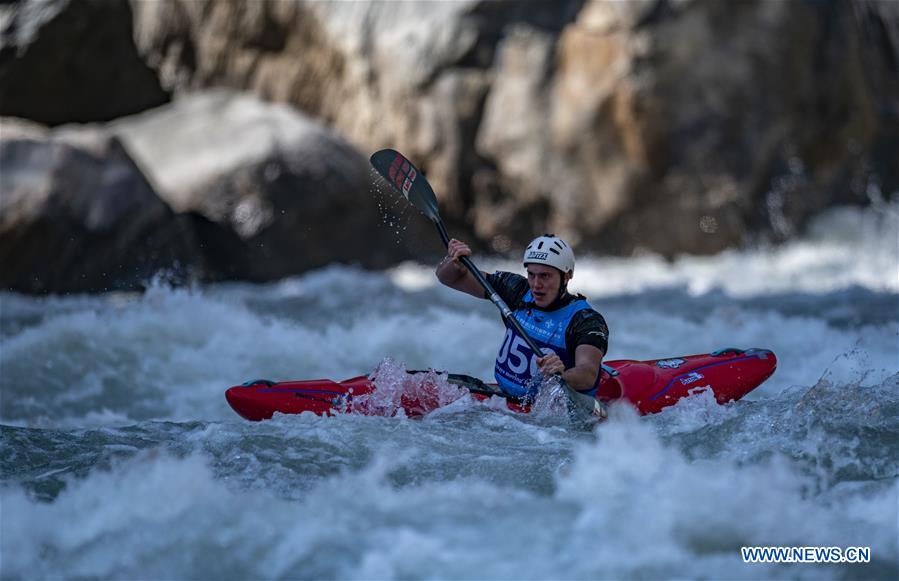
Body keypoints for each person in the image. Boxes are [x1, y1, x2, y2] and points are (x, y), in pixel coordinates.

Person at [436, 234, 609, 400]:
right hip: (503, 398)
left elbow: (588, 373)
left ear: (567, 276)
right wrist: (454, 262)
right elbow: (448, 278)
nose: (536, 285)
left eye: (545, 276)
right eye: (531, 274)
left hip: (547, 412)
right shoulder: (517, 290)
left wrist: (562, 375)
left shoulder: (585, 320)